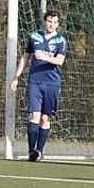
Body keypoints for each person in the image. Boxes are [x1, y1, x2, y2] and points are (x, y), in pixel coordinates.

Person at [10, 11, 67, 161]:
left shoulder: (60, 40)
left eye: (54, 22)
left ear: (58, 24)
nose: (51, 25)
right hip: (35, 81)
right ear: (44, 22)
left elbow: (60, 60)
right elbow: (25, 57)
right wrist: (16, 77)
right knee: (34, 114)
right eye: (49, 21)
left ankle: (39, 151)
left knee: (45, 118)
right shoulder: (34, 37)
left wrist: (45, 57)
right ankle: (31, 150)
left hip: (52, 82)